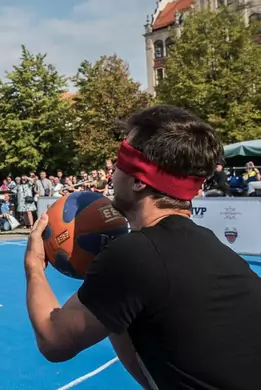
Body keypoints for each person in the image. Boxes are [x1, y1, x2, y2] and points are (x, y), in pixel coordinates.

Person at [25, 105, 261, 389]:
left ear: (138, 180)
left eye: (119, 163)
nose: (111, 172)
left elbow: (54, 341)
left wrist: (34, 267)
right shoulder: (215, 248)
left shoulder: (136, 255)